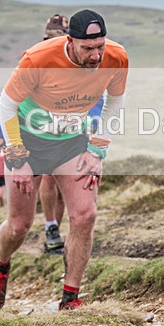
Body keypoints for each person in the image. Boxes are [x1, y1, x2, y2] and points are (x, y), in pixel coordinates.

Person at [0, 9, 127, 311]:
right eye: (88, 48)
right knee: (19, 226)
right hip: (28, 142)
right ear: (71, 42)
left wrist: (98, 150)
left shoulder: (116, 57)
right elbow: (6, 105)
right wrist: (17, 156)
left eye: (100, 46)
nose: (95, 55)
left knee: (85, 216)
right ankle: (0, 267)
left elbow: (115, 102)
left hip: (71, 143)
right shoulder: (38, 59)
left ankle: (70, 298)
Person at [36, 13, 105, 254]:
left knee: (67, 181)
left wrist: (92, 124)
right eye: (47, 38)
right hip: (43, 129)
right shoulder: (37, 61)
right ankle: (51, 227)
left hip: (77, 129)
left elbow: (99, 96)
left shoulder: (84, 61)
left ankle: (64, 229)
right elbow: (16, 98)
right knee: (47, 177)